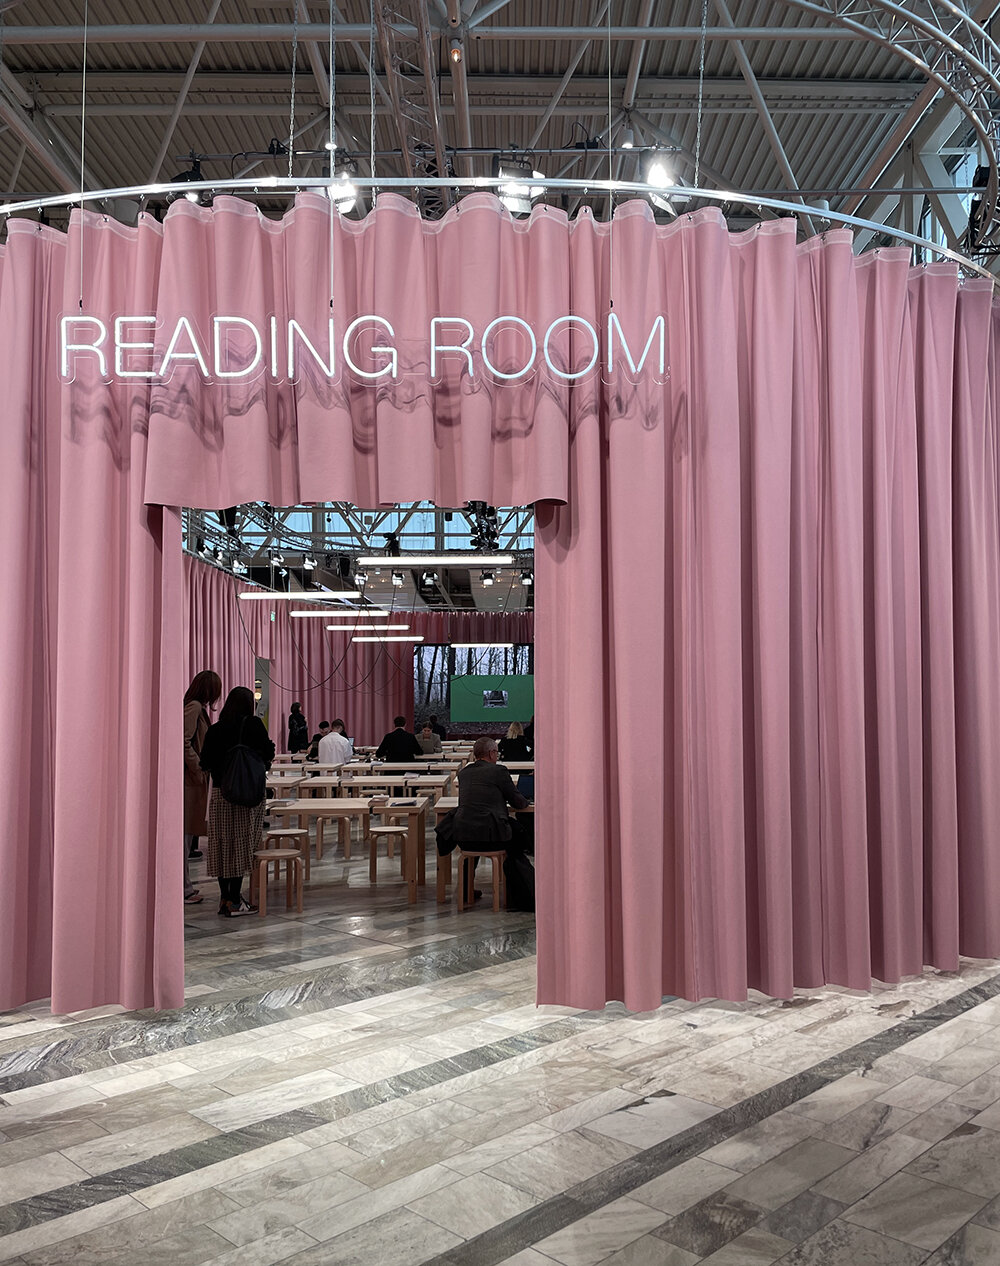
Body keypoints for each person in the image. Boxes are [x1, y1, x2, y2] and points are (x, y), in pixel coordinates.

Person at [200, 685, 275, 916]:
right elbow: (268, 753)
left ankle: (224, 899)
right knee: (242, 844)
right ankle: (235, 899)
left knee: (222, 845)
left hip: (221, 793)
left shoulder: (216, 729)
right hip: (247, 794)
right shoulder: (253, 725)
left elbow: (205, 762)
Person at [439, 737, 533, 909]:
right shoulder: (499, 771)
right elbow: (518, 803)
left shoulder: (464, 773)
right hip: (493, 835)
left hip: (463, 835)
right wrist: (527, 800)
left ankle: (466, 890)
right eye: (497, 752)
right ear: (491, 753)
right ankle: (521, 894)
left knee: (475, 835)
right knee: (517, 843)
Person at [183, 670, 222, 904]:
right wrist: (197, 766)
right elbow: (183, 740)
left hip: (193, 779)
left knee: (187, 836)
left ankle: (185, 886)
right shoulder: (195, 707)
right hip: (190, 780)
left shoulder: (196, 707)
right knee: (184, 836)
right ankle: (183, 889)